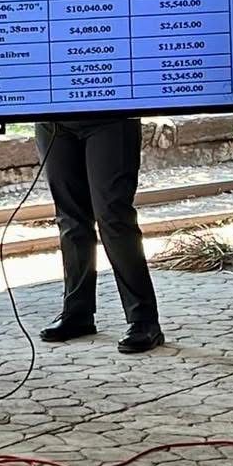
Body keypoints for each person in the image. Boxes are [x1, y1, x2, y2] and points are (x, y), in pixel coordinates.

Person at [35, 118, 163, 353]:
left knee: (113, 217)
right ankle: (77, 313)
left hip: (110, 117)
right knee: (70, 219)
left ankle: (144, 320)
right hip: (53, 120)